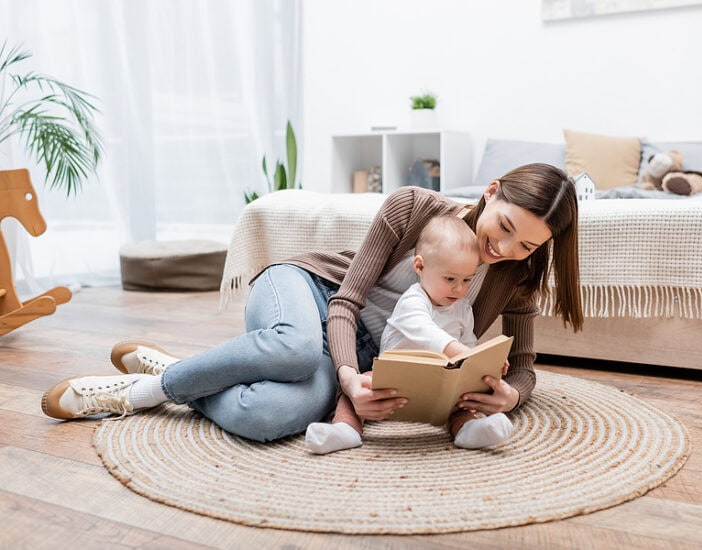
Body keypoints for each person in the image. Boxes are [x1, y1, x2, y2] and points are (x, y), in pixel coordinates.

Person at [41, 163, 583, 447]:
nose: (505, 249)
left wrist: (513, 395)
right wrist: (349, 379)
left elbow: (527, 367)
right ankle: (138, 392)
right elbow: (346, 301)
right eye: (505, 227)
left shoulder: (517, 277)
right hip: (306, 289)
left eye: (527, 245)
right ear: (491, 192)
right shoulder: (412, 207)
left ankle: (178, 370)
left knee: (269, 416)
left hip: (360, 350)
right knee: (297, 349)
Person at [305, 215, 512, 454]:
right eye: (450, 279)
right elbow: (424, 330)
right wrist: (464, 352)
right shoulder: (414, 299)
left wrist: (485, 363)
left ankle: (468, 429)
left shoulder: (463, 308)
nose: (459, 288)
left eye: (467, 280)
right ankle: (345, 429)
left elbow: (468, 343)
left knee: (462, 401)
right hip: (391, 383)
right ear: (420, 266)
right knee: (356, 391)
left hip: (438, 386)